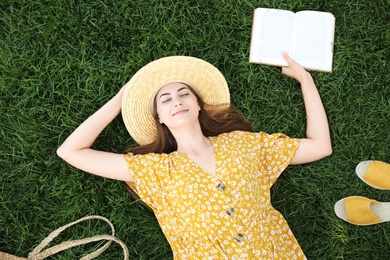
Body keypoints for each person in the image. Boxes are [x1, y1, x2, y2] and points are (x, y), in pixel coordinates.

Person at [57, 53, 332, 259]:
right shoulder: (154, 169)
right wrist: (122, 97)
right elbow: (70, 151)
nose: (176, 101)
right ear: (160, 119)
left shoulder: (244, 145)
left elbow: (320, 146)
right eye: (165, 100)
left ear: (198, 105)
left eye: (183, 94)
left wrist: (305, 79)